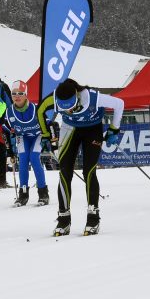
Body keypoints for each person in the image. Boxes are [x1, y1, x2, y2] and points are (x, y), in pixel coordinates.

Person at [37, 78, 123, 236]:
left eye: (71, 107)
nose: (69, 111)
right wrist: (45, 135)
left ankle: (93, 216)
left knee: (89, 170)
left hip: (92, 129)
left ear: (76, 97)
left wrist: (114, 129)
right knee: (64, 171)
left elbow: (119, 103)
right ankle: (63, 218)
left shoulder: (91, 97)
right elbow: (40, 110)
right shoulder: (53, 98)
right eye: (65, 109)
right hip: (70, 129)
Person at [6, 80, 49, 207]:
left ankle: (43, 193)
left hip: (37, 136)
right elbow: (6, 130)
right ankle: (23, 194)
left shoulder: (36, 108)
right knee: (23, 159)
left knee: (34, 158)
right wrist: (9, 151)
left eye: (20, 93)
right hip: (22, 137)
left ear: (26, 95)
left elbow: (49, 124)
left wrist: (52, 141)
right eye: (14, 94)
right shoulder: (9, 112)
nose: (17, 96)